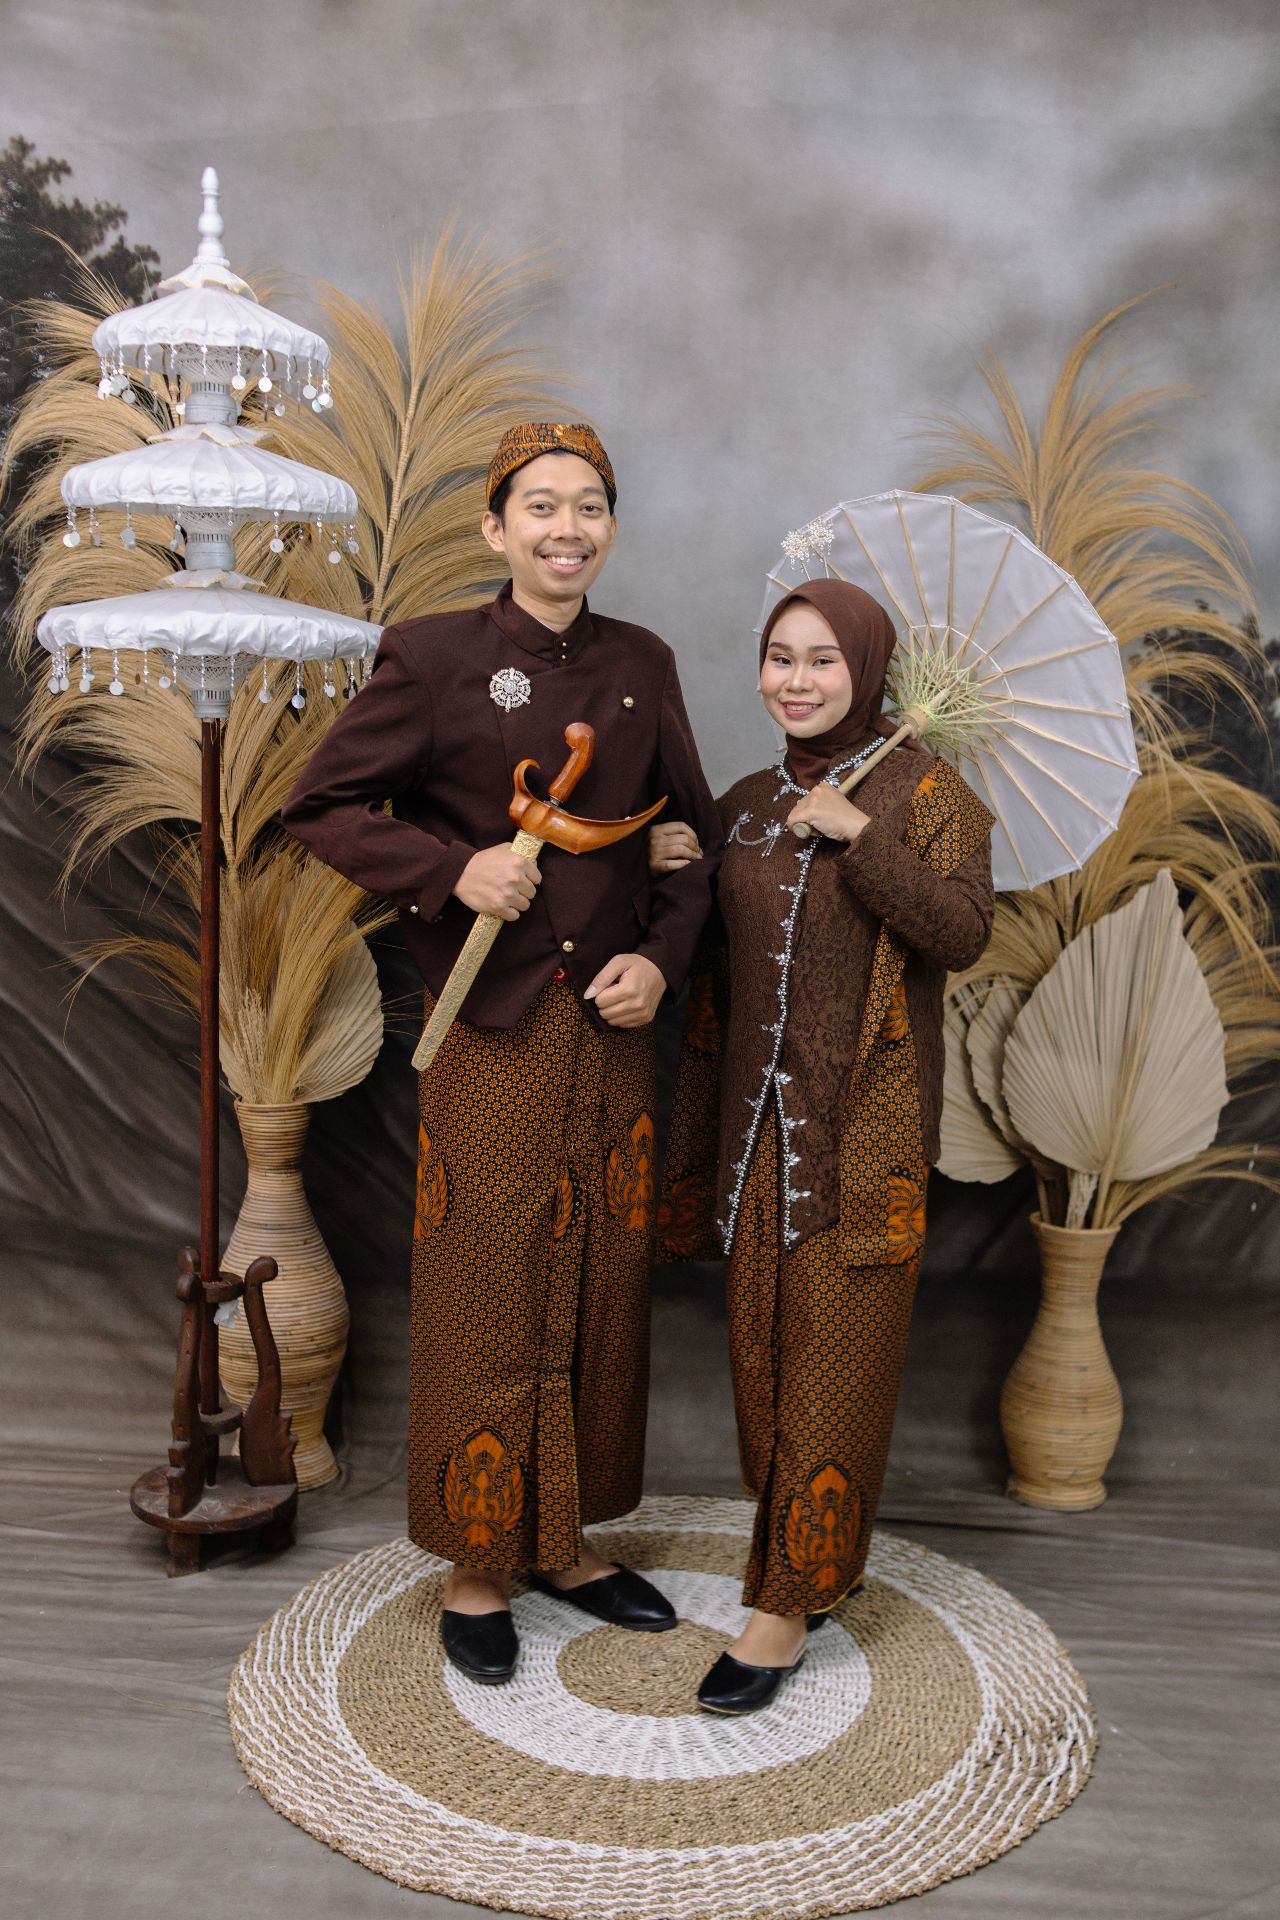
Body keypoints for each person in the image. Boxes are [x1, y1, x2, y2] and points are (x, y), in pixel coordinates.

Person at [282, 422, 720, 1685]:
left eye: (588, 506)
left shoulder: (642, 662)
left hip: (613, 1034)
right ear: (496, 527)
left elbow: (685, 842)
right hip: (490, 1024)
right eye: (540, 506)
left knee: (598, 1282)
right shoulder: (431, 657)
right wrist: (448, 870)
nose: (565, 528)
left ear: (609, 527)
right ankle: (477, 1564)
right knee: (487, 1286)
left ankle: (566, 1545)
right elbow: (319, 805)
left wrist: (661, 960)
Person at [652, 578, 994, 1714]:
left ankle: (783, 1609)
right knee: (760, 1358)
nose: (795, 682)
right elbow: (701, 946)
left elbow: (963, 933)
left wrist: (861, 840)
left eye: (822, 661)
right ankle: (804, 1558)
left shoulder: (930, 793)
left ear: (868, 668)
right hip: (754, 1135)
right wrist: (664, 864)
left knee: (836, 1366)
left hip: (865, 1139)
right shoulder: (746, 802)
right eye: (779, 658)